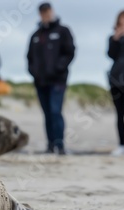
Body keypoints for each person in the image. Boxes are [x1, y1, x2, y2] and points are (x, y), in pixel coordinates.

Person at [27, 2, 75, 155]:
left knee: (55, 111)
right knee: (47, 113)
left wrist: (59, 68)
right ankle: (50, 144)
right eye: (42, 12)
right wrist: (33, 71)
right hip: (40, 81)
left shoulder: (63, 31)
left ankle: (60, 144)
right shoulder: (36, 35)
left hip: (57, 81)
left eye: (47, 12)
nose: (45, 15)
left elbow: (70, 52)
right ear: (39, 14)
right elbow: (29, 57)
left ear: (52, 12)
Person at [107, 10, 124, 156]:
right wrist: (116, 38)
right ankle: (122, 145)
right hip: (116, 80)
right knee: (119, 114)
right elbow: (110, 55)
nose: (123, 23)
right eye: (120, 20)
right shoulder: (113, 38)